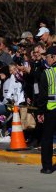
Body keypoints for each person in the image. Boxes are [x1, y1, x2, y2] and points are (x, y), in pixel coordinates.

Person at [37, 46, 56, 174]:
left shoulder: (47, 74)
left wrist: (40, 112)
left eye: (47, 57)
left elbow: (42, 96)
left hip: (51, 110)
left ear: (53, 57)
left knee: (47, 139)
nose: (46, 59)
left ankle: (47, 167)